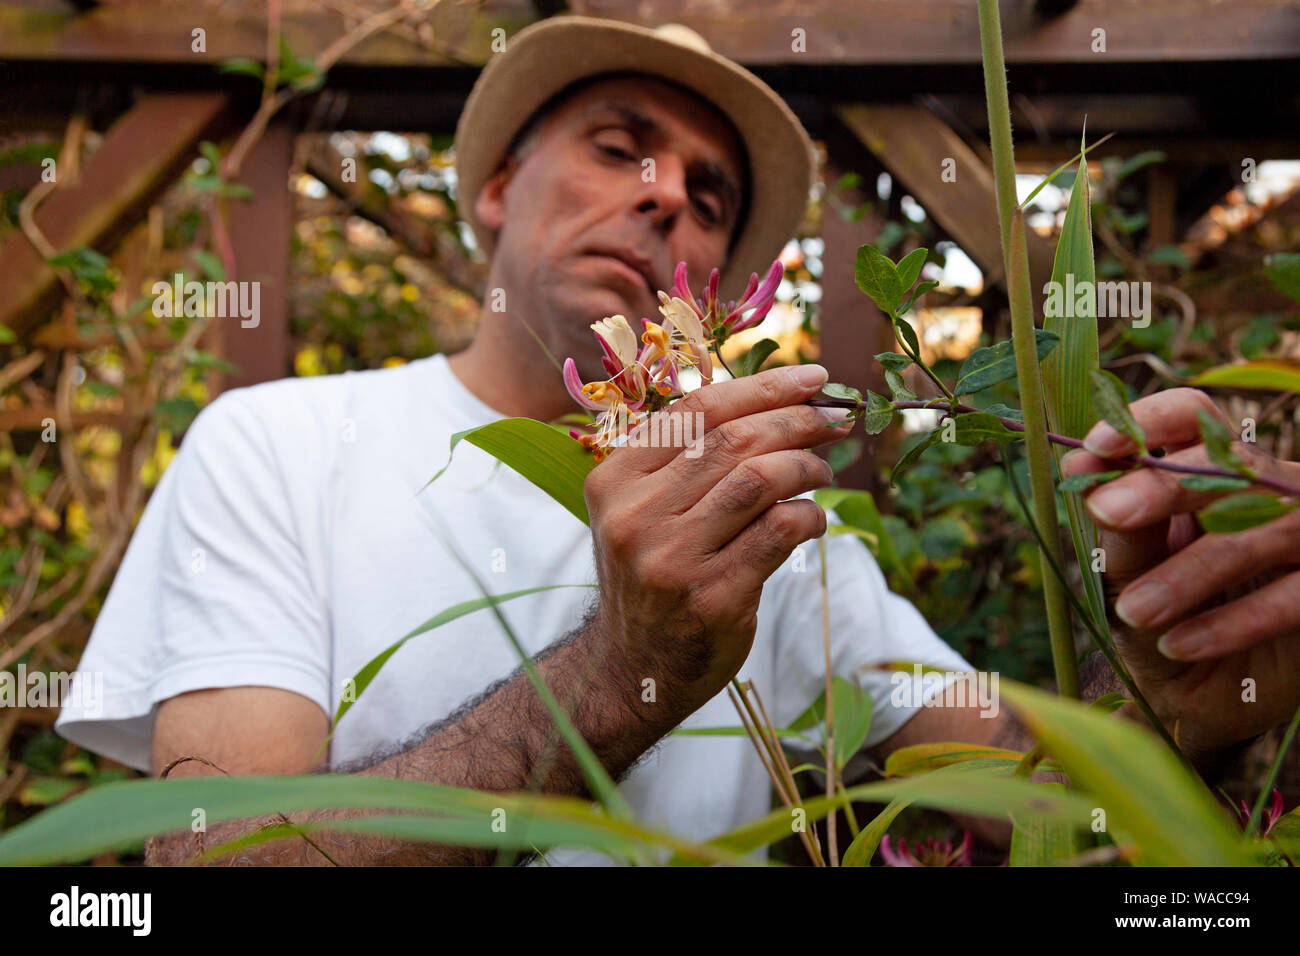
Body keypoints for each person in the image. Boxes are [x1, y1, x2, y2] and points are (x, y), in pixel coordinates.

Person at [54, 16, 1300, 865]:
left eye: (708, 197)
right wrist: (618, 670)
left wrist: (1182, 685)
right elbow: (216, 856)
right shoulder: (279, 444)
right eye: (617, 149)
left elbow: (1039, 795)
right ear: (495, 189)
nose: (664, 195)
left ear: (718, 290)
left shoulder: (783, 528)